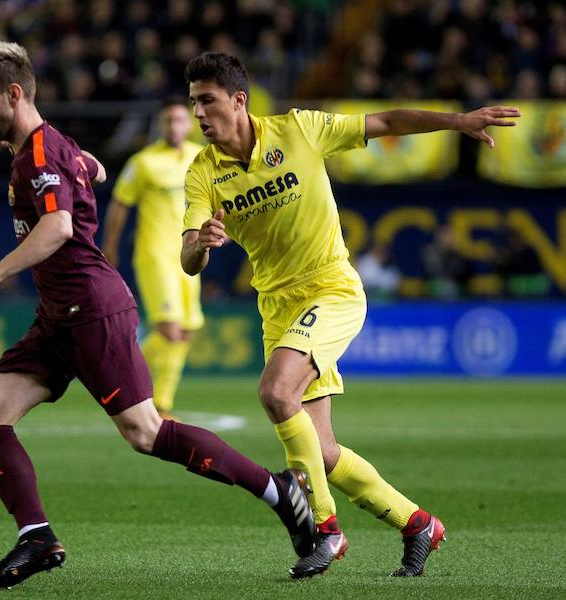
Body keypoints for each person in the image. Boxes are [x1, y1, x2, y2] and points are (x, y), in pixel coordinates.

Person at [0, 40, 316, 589]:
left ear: (14, 93)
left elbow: (58, 228)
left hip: (91, 309)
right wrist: (86, 166)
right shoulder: (50, 147)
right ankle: (37, 536)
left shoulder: (42, 153)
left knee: (146, 433)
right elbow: (92, 169)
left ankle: (280, 491)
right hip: (57, 315)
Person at [180, 51, 520, 579]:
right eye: (193, 101)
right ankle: (419, 524)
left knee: (275, 393)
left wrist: (457, 122)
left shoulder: (301, 131)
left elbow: (384, 121)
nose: (198, 112)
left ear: (238, 100)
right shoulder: (202, 174)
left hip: (332, 290)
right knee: (324, 451)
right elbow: (189, 260)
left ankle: (325, 532)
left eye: (207, 100)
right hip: (278, 309)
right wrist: (202, 244)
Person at [101, 98, 205, 419]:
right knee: (169, 331)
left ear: (189, 124)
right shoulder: (143, 162)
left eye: (179, 120)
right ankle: (121, 379)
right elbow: (120, 204)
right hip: (155, 254)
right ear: (160, 125)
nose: (173, 126)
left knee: (185, 332)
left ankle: (161, 404)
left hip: (189, 254)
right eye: (167, 121)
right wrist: (111, 246)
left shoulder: (200, 157)